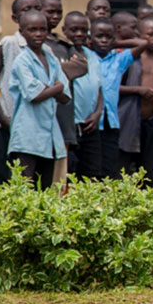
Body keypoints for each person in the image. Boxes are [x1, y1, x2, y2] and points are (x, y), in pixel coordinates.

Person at [0, 0, 44, 183]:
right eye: (26, 9)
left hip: (32, 125)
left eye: (36, 8)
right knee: (1, 177)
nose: (32, 12)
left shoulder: (44, 49)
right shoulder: (10, 43)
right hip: (9, 121)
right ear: (15, 18)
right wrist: (2, 116)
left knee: (26, 179)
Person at [7, 10, 71, 188]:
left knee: (45, 189)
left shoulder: (51, 58)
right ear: (22, 32)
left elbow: (65, 97)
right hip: (27, 137)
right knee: (24, 189)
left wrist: (51, 89)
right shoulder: (22, 61)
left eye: (42, 29)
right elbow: (34, 95)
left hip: (49, 137)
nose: (38, 34)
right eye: (32, 29)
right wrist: (56, 87)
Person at [39, 0, 88, 186]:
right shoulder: (34, 44)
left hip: (63, 119)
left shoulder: (64, 45)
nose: (55, 17)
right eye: (50, 12)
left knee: (58, 181)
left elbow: (82, 66)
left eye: (58, 12)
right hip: (38, 122)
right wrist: (60, 72)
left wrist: (51, 72)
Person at [89, 17, 147, 179]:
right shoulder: (87, 57)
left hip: (111, 122)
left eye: (108, 37)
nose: (104, 40)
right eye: (99, 36)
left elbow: (142, 43)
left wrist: (115, 44)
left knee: (110, 168)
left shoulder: (118, 59)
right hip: (91, 122)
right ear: (90, 38)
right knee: (91, 168)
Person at [117, 18, 153, 186]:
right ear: (139, 35)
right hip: (128, 121)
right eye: (150, 34)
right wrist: (137, 90)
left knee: (149, 171)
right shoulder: (129, 59)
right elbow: (112, 88)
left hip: (152, 123)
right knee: (124, 167)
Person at [62, 11, 104, 179]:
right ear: (64, 30)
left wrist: (98, 113)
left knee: (92, 174)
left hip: (90, 126)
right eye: (74, 30)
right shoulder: (63, 54)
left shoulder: (92, 56)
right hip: (70, 127)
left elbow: (99, 88)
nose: (79, 34)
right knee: (68, 174)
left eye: (83, 30)